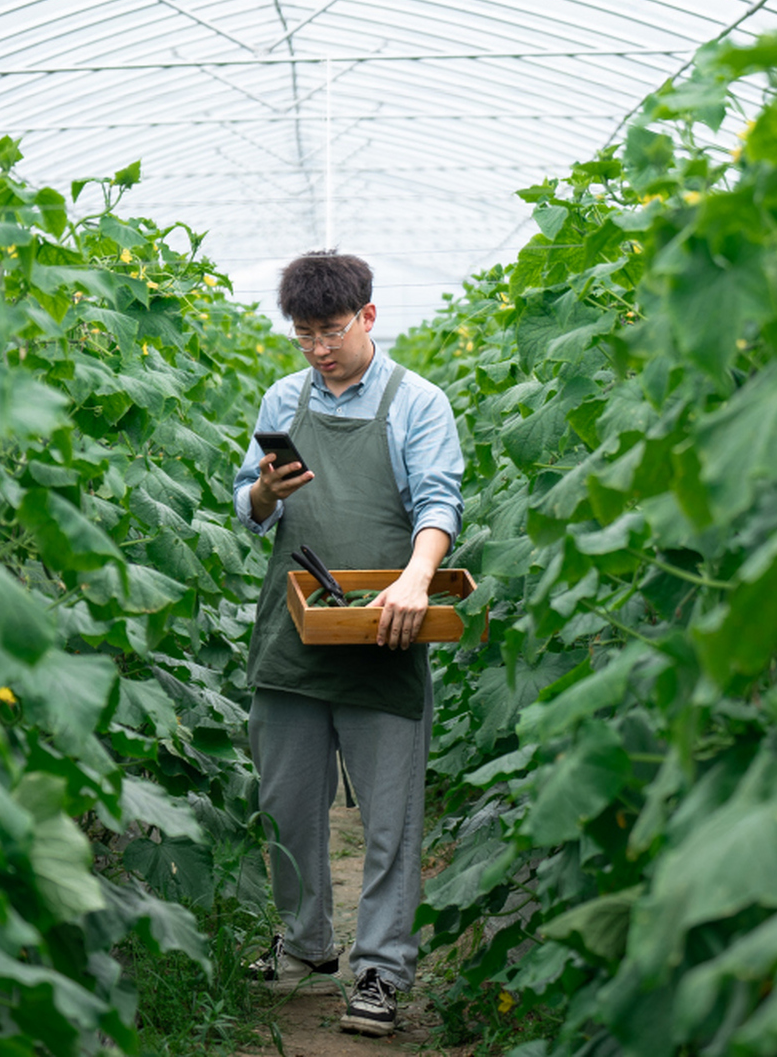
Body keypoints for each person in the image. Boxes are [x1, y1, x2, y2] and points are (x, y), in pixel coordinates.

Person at [231, 250, 464, 1037]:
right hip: (294, 631)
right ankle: (304, 945)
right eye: (302, 335)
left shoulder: (416, 402)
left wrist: (413, 580)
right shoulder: (282, 398)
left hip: (383, 627)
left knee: (390, 818)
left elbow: (437, 502)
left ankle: (381, 971)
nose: (317, 349)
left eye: (330, 331)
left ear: (367, 317)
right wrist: (264, 491)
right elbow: (248, 504)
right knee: (287, 805)